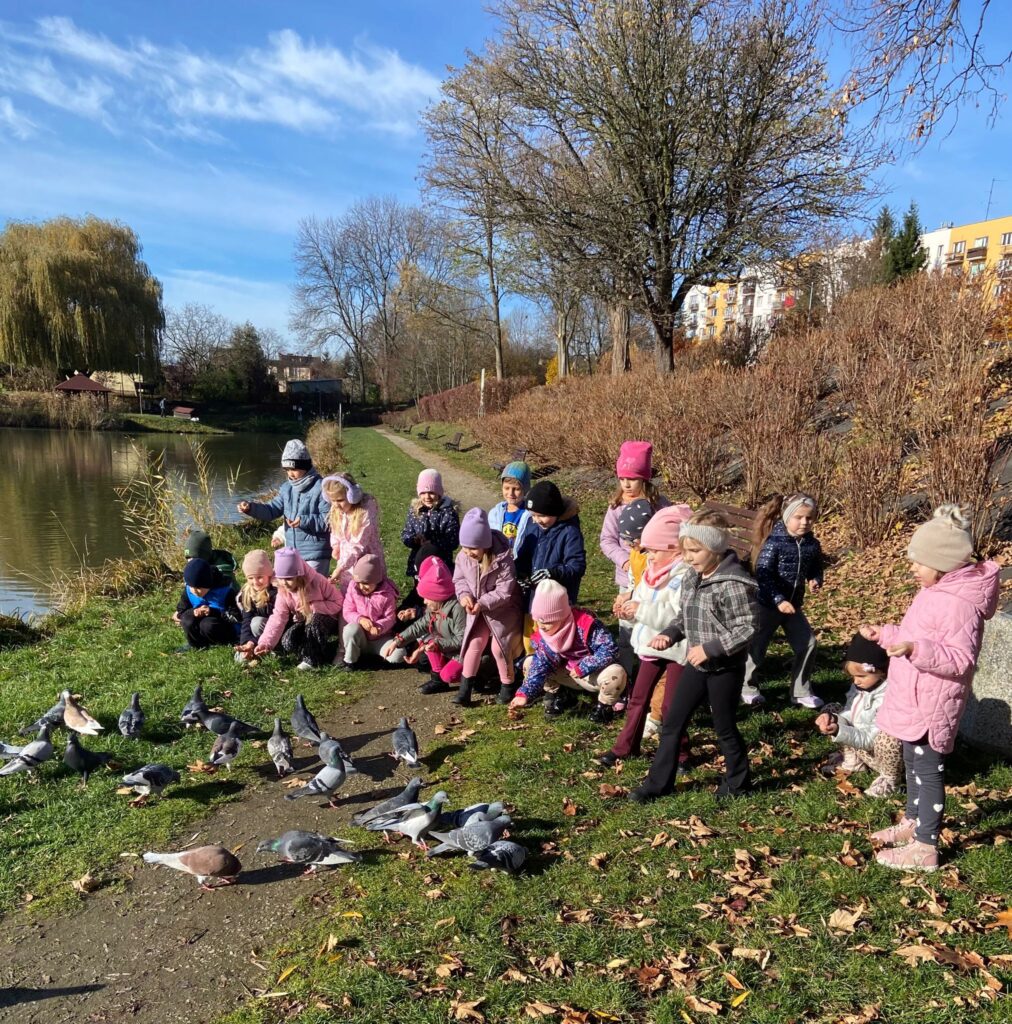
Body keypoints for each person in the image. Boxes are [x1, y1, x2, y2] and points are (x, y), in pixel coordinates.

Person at [861, 505, 1000, 872]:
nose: (912, 568)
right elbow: (916, 636)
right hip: (915, 696)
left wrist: (916, 650)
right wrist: (888, 636)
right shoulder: (936, 591)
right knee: (911, 762)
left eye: (918, 562)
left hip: (933, 703)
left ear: (941, 563)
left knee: (929, 770)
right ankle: (912, 820)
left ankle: (926, 845)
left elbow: (959, 660)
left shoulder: (960, 605)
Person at [629, 510, 758, 803]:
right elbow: (683, 617)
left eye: (695, 550)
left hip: (724, 667)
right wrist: (670, 634)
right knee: (673, 722)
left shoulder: (734, 583)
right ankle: (658, 783)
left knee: (724, 727)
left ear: (715, 549)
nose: (688, 557)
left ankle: (739, 782)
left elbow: (748, 627)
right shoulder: (692, 577)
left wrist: (710, 648)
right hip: (696, 665)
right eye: (685, 550)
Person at [599, 504, 694, 768]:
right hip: (649, 646)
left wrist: (641, 611)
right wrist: (628, 610)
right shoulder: (652, 571)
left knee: (671, 706)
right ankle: (626, 746)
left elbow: (677, 617)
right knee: (638, 698)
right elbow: (640, 598)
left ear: (673, 549)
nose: (647, 555)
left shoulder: (685, 574)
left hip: (677, 648)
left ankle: (681, 752)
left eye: (653, 550)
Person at [742, 493, 825, 709]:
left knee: (808, 644)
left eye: (809, 518)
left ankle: (801, 690)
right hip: (768, 605)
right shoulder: (775, 542)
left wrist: (815, 579)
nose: (804, 522)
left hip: (793, 605)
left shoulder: (811, 544)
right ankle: (747, 687)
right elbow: (763, 573)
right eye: (799, 517)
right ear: (787, 517)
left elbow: (816, 565)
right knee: (757, 647)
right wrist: (778, 599)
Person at [511, 580, 627, 722]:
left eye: (548, 621)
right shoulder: (544, 635)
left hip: (592, 673)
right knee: (530, 662)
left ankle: (605, 706)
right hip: (567, 673)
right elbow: (540, 665)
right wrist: (524, 694)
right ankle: (560, 694)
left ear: (562, 616)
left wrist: (584, 666)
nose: (543, 626)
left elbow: (609, 649)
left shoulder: (586, 625)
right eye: (539, 621)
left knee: (616, 673)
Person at [814, 632, 902, 797]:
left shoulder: (889, 696)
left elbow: (870, 739)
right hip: (863, 747)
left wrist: (839, 731)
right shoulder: (859, 687)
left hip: (882, 753)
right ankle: (853, 762)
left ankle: (890, 780)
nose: (856, 681)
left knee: (890, 737)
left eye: (861, 676)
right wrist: (833, 719)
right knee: (832, 709)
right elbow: (849, 714)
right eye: (852, 676)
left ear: (881, 671)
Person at [453, 508, 524, 707]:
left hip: (503, 610)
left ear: (485, 545)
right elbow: (459, 580)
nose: (468, 552)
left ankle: (507, 685)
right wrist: (465, 596)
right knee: (474, 643)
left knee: (499, 646)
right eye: (465, 547)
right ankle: (465, 689)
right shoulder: (463, 557)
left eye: (473, 548)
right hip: (477, 610)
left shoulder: (502, 559)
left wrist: (483, 602)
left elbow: (505, 590)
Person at [237, 440, 331, 576]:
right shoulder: (286, 489)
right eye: (287, 470)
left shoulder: (321, 488)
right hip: (292, 553)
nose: (290, 474)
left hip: (316, 554)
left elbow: (329, 520)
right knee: (293, 594)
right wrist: (250, 508)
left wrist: (304, 521)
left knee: (313, 594)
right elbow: (271, 510)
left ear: (305, 466)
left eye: (294, 469)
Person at [381, 555, 465, 695]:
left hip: (461, 653)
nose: (425, 602)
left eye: (427, 598)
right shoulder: (435, 608)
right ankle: (438, 680)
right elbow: (419, 625)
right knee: (429, 642)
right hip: (447, 646)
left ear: (438, 596)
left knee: (449, 675)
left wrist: (438, 644)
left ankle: (474, 677)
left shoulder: (457, 609)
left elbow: (462, 639)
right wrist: (398, 641)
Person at [253, 548, 342, 670]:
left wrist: (314, 607)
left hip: (328, 619)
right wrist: (265, 643)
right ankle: (315, 649)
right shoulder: (283, 591)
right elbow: (278, 617)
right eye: (281, 578)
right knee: (287, 641)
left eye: (289, 579)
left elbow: (338, 602)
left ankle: (312, 660)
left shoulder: (318, 581)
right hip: (304, 621)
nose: (284, 583)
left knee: (315, 621)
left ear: (299, 575)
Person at [600, 441, 670, 592]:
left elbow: (671, 534)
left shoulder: (659, 505)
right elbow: (607, 539)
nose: (626, 484)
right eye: (622, 479)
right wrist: (624, 561)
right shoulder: (616, 506)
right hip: (628, 579)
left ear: (644, 479)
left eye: (632, 479)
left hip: (657, 576)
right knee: (628, 614)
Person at [515, 480, 586, 604]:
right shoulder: (532, 526)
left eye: (541, 515)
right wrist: (519, 574)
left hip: (557, 600)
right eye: (533, 515)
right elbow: (524, 556)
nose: (537, 520)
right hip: (532, 598)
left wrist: (552, 573)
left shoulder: (569, 532)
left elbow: (577, 566)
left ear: (555, 512)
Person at [612, 498, 656, 679]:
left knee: (643, 642)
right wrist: (626, 595)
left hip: (647, 608)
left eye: (632, 539)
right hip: (635, 601)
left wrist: (634, 600)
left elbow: (650, 587)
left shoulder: (654, 557)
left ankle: (643, 675)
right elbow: (633, 580)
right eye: (626, 540)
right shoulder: (636, 552)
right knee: (625, 638)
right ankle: (625, 675)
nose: (630, 544)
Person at [322, 472, 384, 591]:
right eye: (332, 500)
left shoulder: (365, 511)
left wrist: (340, 568)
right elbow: (335, 531)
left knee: (369, 592)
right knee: (349, 593)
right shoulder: (337, 509)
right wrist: (336, 546)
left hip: (367, 561)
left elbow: (358, 545)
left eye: (340, 500)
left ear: (352, 495)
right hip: (346, 561)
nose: (336, 505)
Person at [341, 554, 399, 668]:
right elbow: (347, 611)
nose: (362, 587)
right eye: (359, 583)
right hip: (360, 636)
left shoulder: (387, 595)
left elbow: (390, 618)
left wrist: (379, 627)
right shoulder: (353, 588)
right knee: (350, 629)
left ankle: (375, 655)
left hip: (380, 638)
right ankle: (350, 660)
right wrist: (360, 619)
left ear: (376, 581)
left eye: (366, 583)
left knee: (398, 655)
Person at [401, 469, 460, 580]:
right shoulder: (415, 511)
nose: (427, 497)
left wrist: (432, 544)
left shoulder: (448, 512)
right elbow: (406, 533)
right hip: (419, 560)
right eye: (423, 493)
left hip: (440, 562)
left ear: (439, 492)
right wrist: (414, 540)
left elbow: (453, 541)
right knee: (419, 588)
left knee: (436, 592)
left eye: (431, 492)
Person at [172, 558, 240, 652]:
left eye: (199, 587)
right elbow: (181, 610)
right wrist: (193, 612)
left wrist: (213, 612)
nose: (195, 591)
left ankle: (226, 642)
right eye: (192, 587)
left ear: (208, 583)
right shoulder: (189, 590)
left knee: (207, 624)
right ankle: (196, 644)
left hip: (223, 625)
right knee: (187, 619)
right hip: (200, 629)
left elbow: (237, 616)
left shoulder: (226, 590)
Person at [234, 549, 277, 663]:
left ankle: (269, 648)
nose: (255, 582)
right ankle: (251, 650)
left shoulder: (276, 592)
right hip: (257, 636)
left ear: (268, 574)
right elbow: (246, 621)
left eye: (259, 577)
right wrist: (245, 643)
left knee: (257, 622)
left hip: (278, 631)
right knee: (240, 659)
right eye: (251, 578)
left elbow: (276, 624)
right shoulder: (247, 593)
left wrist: (252, 642)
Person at [488, 461, 535, 556]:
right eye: (506, 488)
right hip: (499, 560)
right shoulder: (495, 513)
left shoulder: (531, 515)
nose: (510, 493)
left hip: (521, 562)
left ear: (525, 489)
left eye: (516, 489)